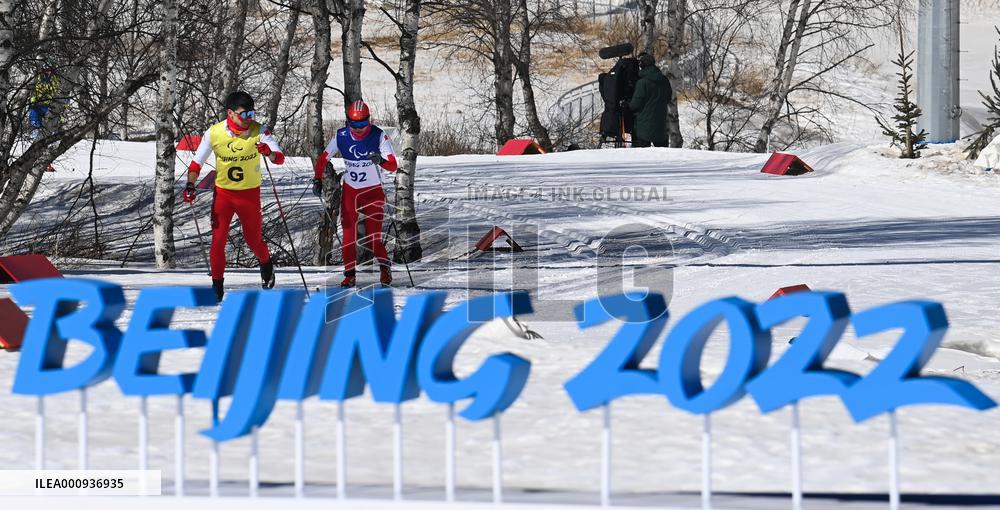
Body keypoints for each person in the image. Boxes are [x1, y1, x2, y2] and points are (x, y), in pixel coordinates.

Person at [182, 90, 286, 302]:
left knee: (253, 240)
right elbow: (196, 163)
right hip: (224, 195)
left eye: (252, 114)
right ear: (230, 113)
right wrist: (190, 185)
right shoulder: (214, 133)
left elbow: (280, 159)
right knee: (218, 241)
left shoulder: (260, 132)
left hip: (249, 195)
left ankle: (266, 264)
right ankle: (217, 285)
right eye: (244, 115)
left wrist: (268, 152)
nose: (249, 119)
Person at [312, 99, 397, 288]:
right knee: (349, 236)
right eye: (354, 124)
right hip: (351, 192)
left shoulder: (378, 136)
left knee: (373, 238)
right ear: (347, 122)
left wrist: (380, 161)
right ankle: (349, 274)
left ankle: (384, 268)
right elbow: (323, 159)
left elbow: (393, 165)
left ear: (369, 120)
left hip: (373, 192)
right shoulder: (341, 136)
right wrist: (317, 178)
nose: (359, 129)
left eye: (363, 124)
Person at [627, 52, 672, 148]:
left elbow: (635, 105)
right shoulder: (664, 80)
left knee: (643, 158)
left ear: (642, 65)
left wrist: (627, 104)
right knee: (663, 156)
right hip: (661, 124)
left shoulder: (642, 83)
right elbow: (668, 98)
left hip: (644, 127)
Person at [29, 68, 59, 138]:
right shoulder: (40, 81)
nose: (46, 72)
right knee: (33, 111)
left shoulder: (55, 80)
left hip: (51, 107)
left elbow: (57, 90)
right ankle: (36, 130)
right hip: (40, 105)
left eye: (48, 71)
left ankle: (48, 132)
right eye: (45, 71)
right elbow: (35, 93)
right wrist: (33, 102)